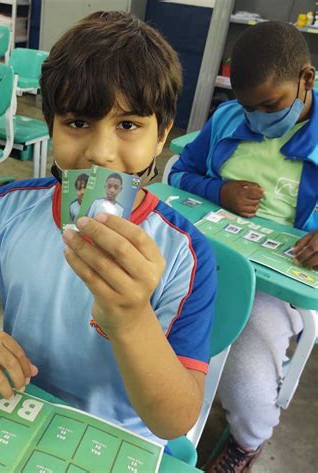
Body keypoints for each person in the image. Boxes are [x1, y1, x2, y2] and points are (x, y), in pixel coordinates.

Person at [0, 11, 216, 446]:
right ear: (51, 126)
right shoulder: (9, 207)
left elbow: (174, 421)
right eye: (78, 123)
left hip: (116, 439)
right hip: (17, 410)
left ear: (161, 135)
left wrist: (130, 319)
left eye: (128, 125)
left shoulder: (186, 254)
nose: (100, 152)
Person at [169, 21, 318, 472]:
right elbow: (177, 173)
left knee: (245, 372)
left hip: (274, 284)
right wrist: (220, 192)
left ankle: (247, 440)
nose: (256, 118)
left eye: (270, 105)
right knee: (143, 323)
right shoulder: (228, 119)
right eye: (246, 105)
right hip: (200, 257)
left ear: (306, 79)